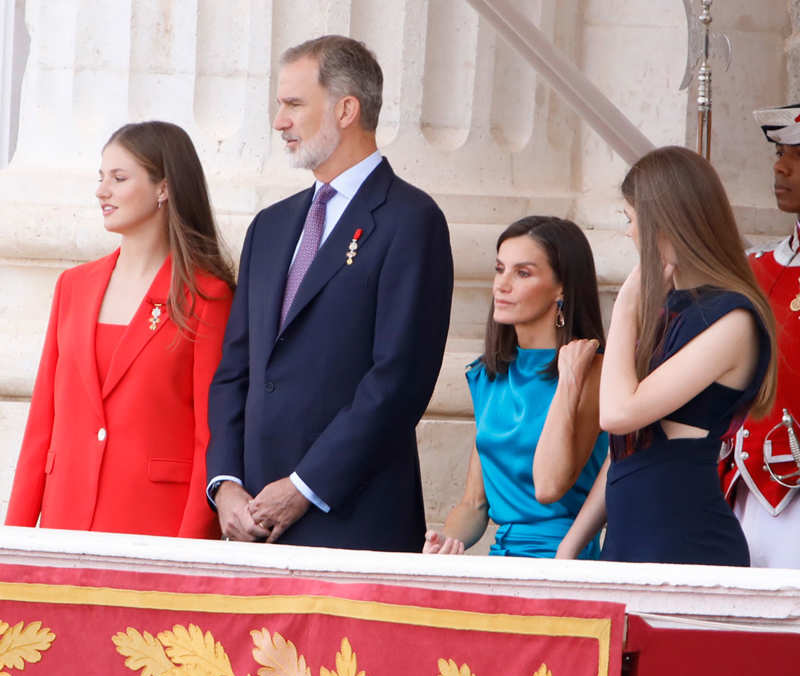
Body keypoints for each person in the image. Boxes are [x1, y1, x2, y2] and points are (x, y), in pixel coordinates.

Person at [206, 35, 453, 550]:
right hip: (252, 525)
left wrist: (303, 487)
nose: (279, 121)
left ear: (346, 109)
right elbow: (236, 370)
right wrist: (225, 484)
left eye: (294, 104)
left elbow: (399, 380)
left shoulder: (412, 221)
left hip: (352, 523)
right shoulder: (270, 227)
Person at [6, 121, 235, 537]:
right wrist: (15, 542)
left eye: (119, 178)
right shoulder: (73, 287)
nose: (101, 191)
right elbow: (42, 425)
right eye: (101, 177)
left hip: (153, 533)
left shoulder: (207, 296)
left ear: (164, 188)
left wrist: (188, 554)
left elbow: (211, 437)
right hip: (64, 526)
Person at [558, 145, 776, 566]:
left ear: (663, 223)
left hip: (683, 541)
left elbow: (619, 413)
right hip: (627, 541)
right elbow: (628, 447)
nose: (628, 233)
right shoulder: (670, 309)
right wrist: (571, 547)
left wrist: (625, 307)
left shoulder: (732, 319)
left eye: (630, 219)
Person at [423, 216, 607, 558]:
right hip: (502, 559)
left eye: (522, 273)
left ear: (562, 286)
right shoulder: (487, 376)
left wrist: (569, 381)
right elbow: (475, 504)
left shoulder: (592, 369)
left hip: (564, 561)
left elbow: (550, 487)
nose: (501, 285)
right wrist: (445, 543)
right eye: (499, 269)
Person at [718, 103, 800, 567]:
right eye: (780, 152)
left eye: (797, 155)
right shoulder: (756, 269)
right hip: (741, 492)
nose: (780, 166)